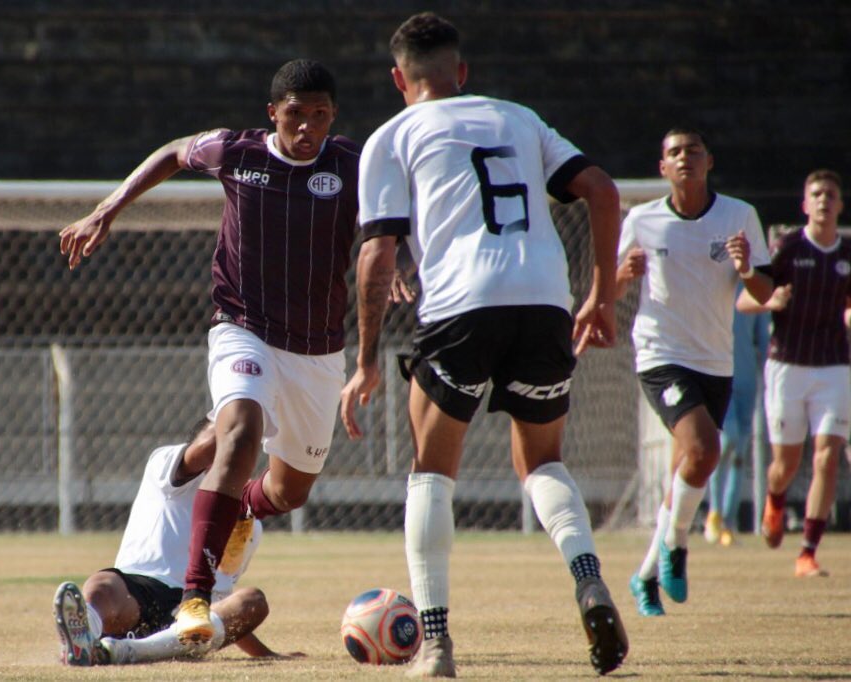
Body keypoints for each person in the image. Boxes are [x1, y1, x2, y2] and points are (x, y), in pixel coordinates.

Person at [341, 12, 629, 677]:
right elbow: (603, 190)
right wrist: (601, 298)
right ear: (462, 72)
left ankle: (436, 642)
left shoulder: (392, 136)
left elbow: (377, 253)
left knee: (431, 471)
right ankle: (587, 579)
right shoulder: (519, 118)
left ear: (397, 79)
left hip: (461, 310)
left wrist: (364, 362)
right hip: (544, 302)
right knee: (542, 464)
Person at [59, 59, 360, 644]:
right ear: (273, 113)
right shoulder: (237, 152)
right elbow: (174, 152)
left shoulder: (354, 163)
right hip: (241, 326)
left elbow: (390, 226)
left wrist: (401, 262)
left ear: (332, 116)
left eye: (319, 115)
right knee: (240, 430)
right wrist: (108, 208)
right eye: (295, 114)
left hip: (317, 352)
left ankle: (226, 530)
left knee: (288, 492)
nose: (307, 128)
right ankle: (196, 596)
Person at [616, 127, 773, 617]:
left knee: (690, 466)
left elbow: (765, 294)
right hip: (660, 356)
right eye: (674, 152)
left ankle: (643, 577)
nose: (684, 158)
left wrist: (748, 269)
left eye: (693, 151)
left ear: (709, 161)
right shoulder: (642, 220)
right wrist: (622, 275)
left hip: (715, 361)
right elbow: (612, 286)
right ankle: (676, 546)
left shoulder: (739, 216)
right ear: (662, 167)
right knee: (705, 449)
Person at [52, 419, 300, 665]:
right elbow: (215, 442)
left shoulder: (249, 525)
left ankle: (129, 651)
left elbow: (222, 605)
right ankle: (85, 635)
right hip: (135, 594)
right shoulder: (165, 464)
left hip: (189, 618)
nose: (235, 452)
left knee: (252, 602)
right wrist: (245, 410)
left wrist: (265, 653)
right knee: (102, 584)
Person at [736, 169, 850, 578]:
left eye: (830, 194)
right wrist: (771, 302)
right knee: (786, 462)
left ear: (840, 204)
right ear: (805, 204)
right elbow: (745, 303)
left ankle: (807, 552)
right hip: (787, 364)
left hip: (835, 366)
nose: (823, 200)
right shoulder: (786, 248)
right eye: (816, 193)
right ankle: (776, 497)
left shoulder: (847, 253)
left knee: (827, 458)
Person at [703, 286, 770, 547]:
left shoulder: (756, 287)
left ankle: (728, 523)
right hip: (720, 378)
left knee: (740, 451)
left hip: (746, 382)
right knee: (727, 439)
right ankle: (714, 512)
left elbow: (763, 339)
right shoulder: (716, 283)